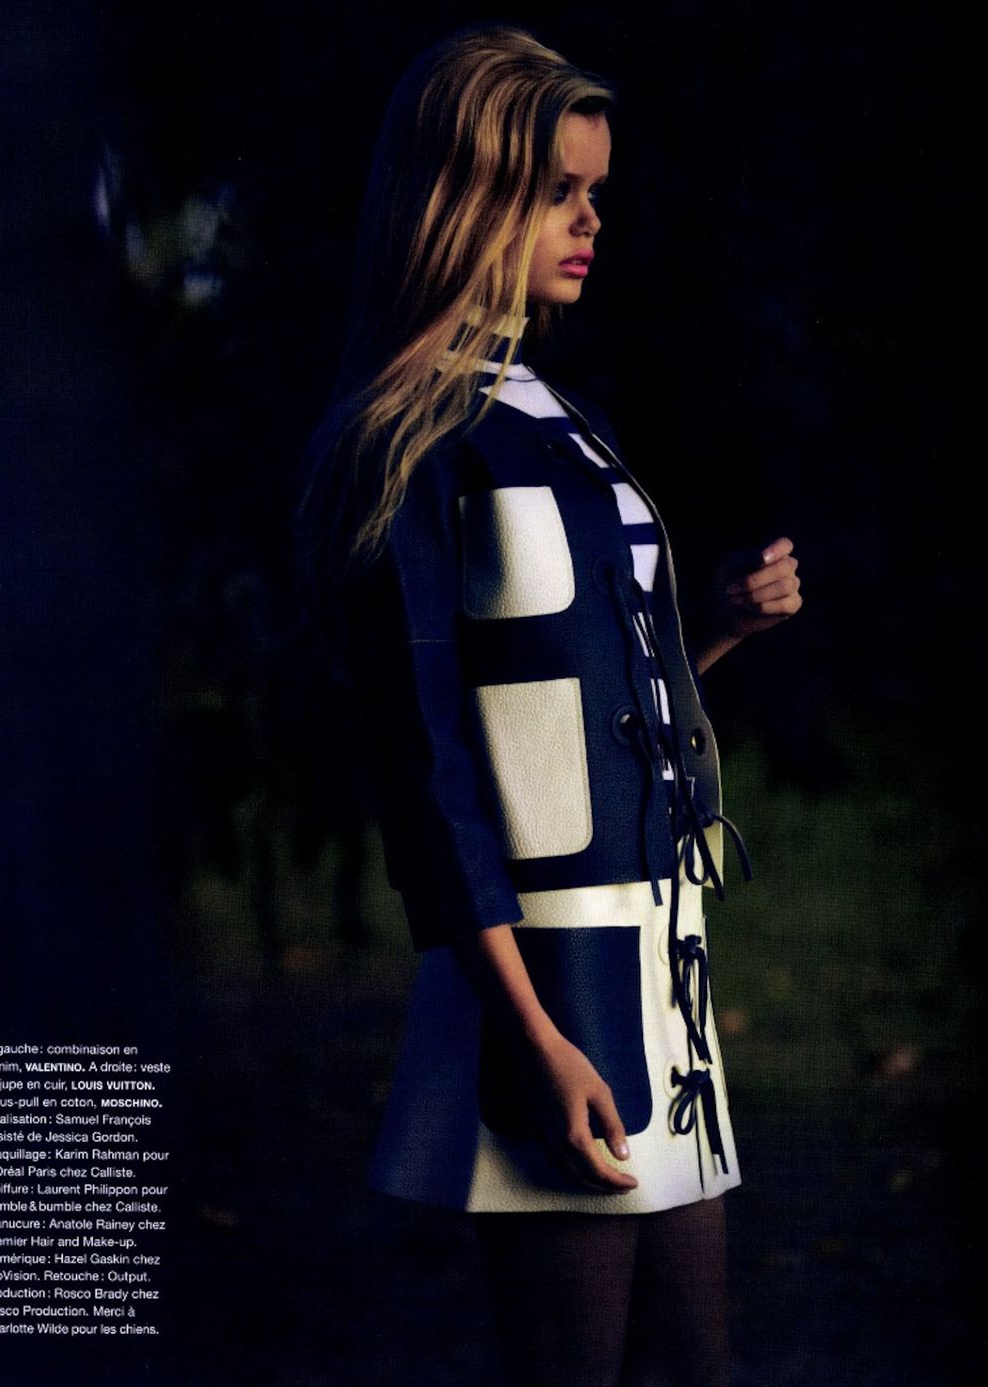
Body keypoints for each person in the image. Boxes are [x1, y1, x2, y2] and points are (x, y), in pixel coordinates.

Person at [296, 25, 802, 1387]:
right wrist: (529, 1036)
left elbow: (582, 716)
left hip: (662, 956)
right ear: (466, 199)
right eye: (558, 191)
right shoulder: (405, 444)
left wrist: (719, 629)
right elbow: (430, 774)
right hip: (548, 978)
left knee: (695, 1366)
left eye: (596, 192)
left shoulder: (562, 421)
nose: (591, 220)